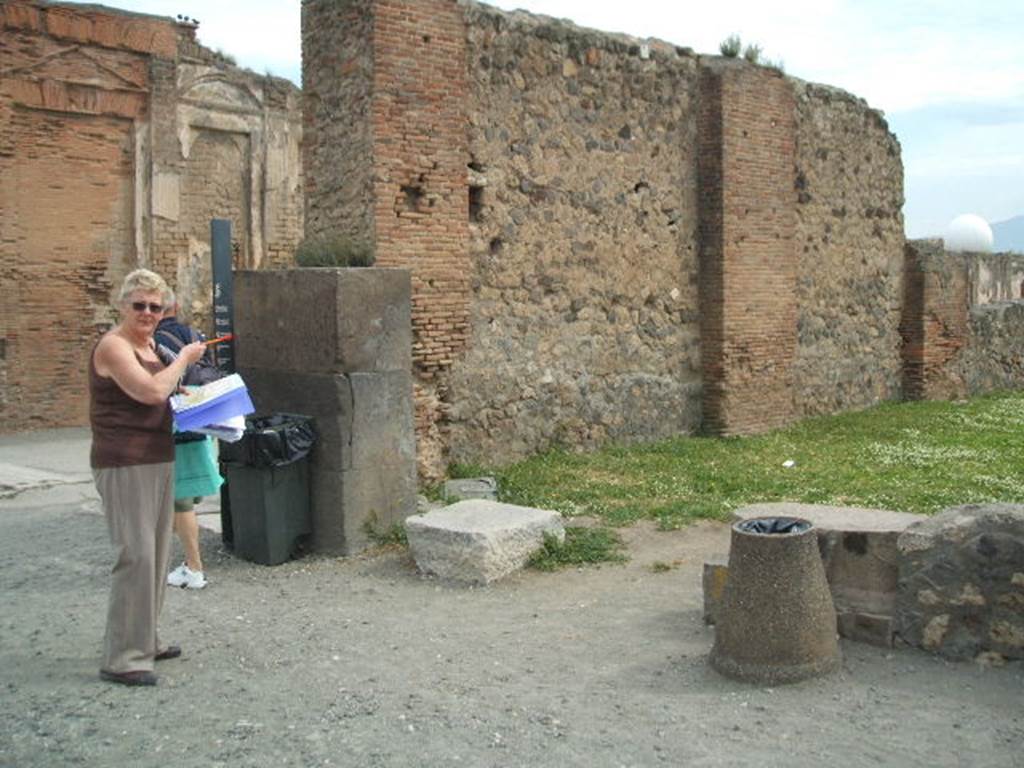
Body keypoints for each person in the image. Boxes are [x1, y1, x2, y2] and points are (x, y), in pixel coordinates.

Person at [89, 269, 206, 686]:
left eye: (155, 307)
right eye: (139, 305)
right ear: (122, 306)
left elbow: (164, 393)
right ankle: (122, 657)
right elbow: (150, 392)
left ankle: (146, 639)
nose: (147, 313)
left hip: (158, 457)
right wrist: (184, 363)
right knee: (135, 555)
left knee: (155, 555)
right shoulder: (114, 346)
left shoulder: (151, 345)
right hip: (124, 461)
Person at [155, 291, 224, 590]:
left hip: (175, 424)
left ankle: (194, 568)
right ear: (178, 306)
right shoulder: (195, 335)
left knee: (181, 501)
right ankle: (186, 560)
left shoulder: (155, 342)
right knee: (184, 498)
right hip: (200, 416)